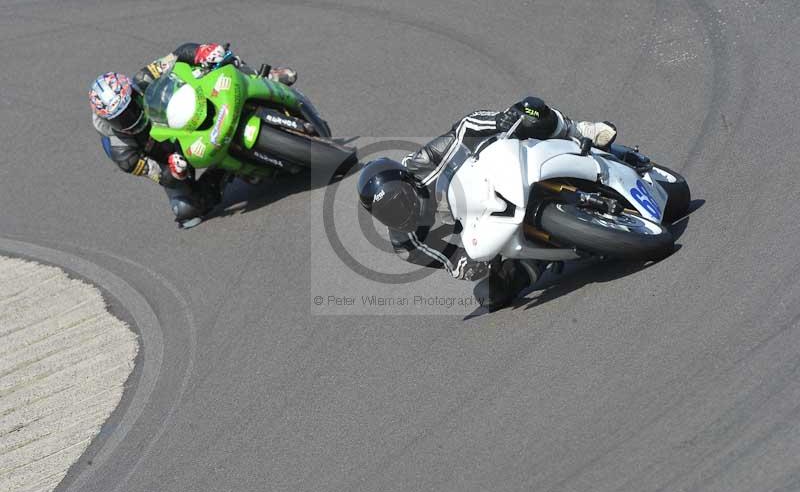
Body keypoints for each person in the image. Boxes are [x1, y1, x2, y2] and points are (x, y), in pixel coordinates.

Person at [357, 96, 617, 310]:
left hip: (499, 176)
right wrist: (468, 265)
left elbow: (464, 129)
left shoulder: (425, 163)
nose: (399, 215)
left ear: (409, 182)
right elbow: (451, 260)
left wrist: (498, 121)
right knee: (492, 293)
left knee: (528, 112)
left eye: (399, 203)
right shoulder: (406, 243)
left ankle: (582, 130)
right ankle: (539, 259)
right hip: (486, 224)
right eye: (388, 215)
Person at [89, 43, 297, 228]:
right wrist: (174, 171)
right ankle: (224, 170)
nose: (131, 117)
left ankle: (262, 78)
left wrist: (200, 53)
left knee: (218, 59)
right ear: (109, 121)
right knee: (186, 210)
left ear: (133, 90)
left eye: (132, 106)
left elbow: (177, 55)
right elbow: (159, 175)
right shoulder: (122, 153)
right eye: (121, 119)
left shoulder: (144, 78)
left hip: (188, 111)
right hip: (175, 154)